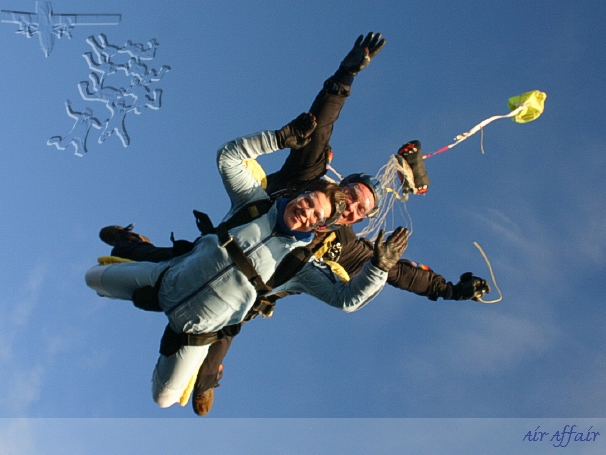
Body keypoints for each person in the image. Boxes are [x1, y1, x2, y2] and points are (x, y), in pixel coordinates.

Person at [99, 32, 490, 415]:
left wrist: (453, 289)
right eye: (352, 196)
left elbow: (402, 274)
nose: (352, 208)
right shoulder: (309, 180)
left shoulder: (349, 246)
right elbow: (319, 126)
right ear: (341, 184)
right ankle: (130, 242)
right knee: (160, 259)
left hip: (247, 294)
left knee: (212, 354)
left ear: (361, 221)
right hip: (224, 244)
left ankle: (206, 379)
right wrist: (344, 77)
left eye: (360, 211)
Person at [86, 113, 409, 409]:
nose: (306, 211)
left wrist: (382, 269)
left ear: (323, 226)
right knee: (93, 277)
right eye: (308, 201)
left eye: (315, 215)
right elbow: (230, 155)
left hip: (199, 327)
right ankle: (129, 245)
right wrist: (280, 137)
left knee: (165, 398)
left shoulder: (305, 262)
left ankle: (206, 378)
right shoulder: (255, 202)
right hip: (167, 276)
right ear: (301, 193)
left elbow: (347, 300)